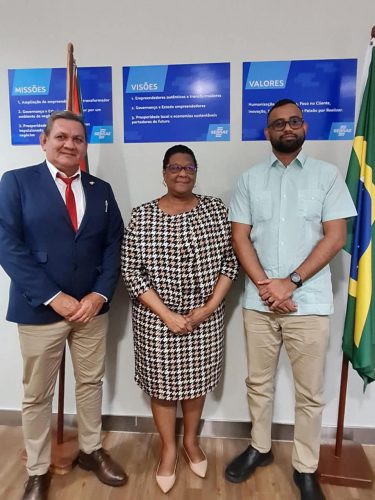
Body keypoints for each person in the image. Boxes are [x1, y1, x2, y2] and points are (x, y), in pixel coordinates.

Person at [225, 99, 357, 500]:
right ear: (267, 132)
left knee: (309, 393)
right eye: (278, 123)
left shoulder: (327, 176)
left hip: (310, 303)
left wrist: (292, 282)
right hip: (259, 303)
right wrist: (268, 285)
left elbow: (335, 237)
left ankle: (305, 467)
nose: (287, 128)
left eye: (294, 121)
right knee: (258, 383)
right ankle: (260, 448)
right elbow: (240, 237)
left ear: (304, 127)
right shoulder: (249, 179)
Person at [0, 111, 127, 500]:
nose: (70, 144)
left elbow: (114, 245)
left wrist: (99, 295)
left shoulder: (101, 189)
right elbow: (8, 245)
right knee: (37, 394)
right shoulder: (17, 182)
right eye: (61, 137)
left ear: (85, 145)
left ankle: (90, 450)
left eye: (77, 138)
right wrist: (55, 297)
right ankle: (37, 470)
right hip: (39, 309)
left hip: (91, 311)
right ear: (44, 140)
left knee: (90, 383)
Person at [121, 144, 238, 494]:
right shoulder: (142, 215)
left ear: (196, 172)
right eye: (174, 167)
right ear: (164, 172)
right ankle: (168, 449)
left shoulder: (216, 211)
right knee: (162, 387)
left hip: (205, 318)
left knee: (196, 383)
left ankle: (190, 442)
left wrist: (207, 308)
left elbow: (229, 264)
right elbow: (131, 271)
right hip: (156, 320)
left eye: (188, 167)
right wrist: (168, 315)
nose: (182, 173)